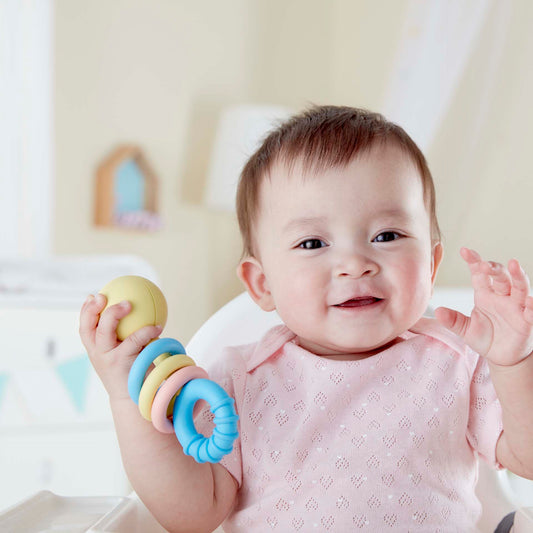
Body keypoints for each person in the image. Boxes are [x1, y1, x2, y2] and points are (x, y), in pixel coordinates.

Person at [80, 105, 533, 532]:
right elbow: (190, 515)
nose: (355, 263)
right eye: (313, 243)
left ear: (431, 268)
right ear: (262, 284)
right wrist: (127, 400)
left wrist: (513, 362)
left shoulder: (458, 364)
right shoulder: (238, 381)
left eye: (387, 235)